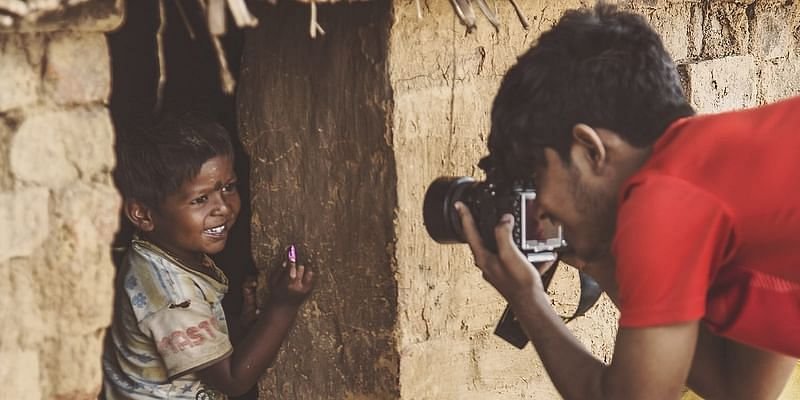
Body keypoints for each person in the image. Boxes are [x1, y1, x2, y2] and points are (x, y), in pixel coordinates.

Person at [456, 3, 800, 399]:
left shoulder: (664, 199)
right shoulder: (722, 176)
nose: (543, 207)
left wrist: (527, 300)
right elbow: (741, 390)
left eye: (538, 178)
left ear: (590, 149)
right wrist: (596, 259)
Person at [103, 115, 315, 399]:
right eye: (200, 199)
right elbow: (233, 381)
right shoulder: (171, 294)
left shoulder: (163, 252)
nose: (224, 208)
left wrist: (242, 328)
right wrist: (283, 306)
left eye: (228, 187)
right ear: (143, 214)